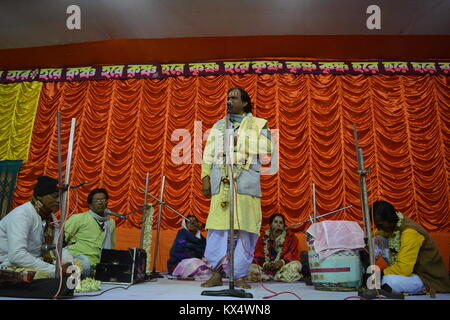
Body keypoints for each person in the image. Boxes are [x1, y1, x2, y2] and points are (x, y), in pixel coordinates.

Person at [200, 87, 272, 289]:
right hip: (221, 182)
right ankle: (215, 272)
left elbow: (268, 148)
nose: (229, 101)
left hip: (245, 182)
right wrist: (205, 177)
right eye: (228, 98)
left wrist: (239, 140)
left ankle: (239, 275)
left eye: (234, 98)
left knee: (247, 230)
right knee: (217, 229)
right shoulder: (219, 126)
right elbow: (208, 153)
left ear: (245, 103)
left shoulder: (259, 124)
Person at [371, 200, 450, 294]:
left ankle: (423, 288)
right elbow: (377, 234)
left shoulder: (410, 232)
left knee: (388, 281)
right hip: (409, 274)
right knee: (377, 238)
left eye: (380, 225)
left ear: (390, 220)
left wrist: (380, 274)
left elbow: (404, 269)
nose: (379, 228)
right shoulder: (390, 228)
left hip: (425, 278)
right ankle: (367, 271)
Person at [0, 176, 71, 279]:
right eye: (55, 196)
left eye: (61, 197)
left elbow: (58, 248)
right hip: (9, 264)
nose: (59, 201)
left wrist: (69, 264)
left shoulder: (51, 218)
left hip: (36, 261)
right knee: (39, 275)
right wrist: (55, 270)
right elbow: (16, 255)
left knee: (81, 263)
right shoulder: (22, 215)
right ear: (40, 196)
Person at [64, 188, 116, 277]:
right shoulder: (78, 218)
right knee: (85, 262)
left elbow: (111, 245)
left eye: (103, 200)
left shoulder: (110, 222)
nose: (100, 202)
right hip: (79, 260)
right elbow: (61, 240)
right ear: (89, 204)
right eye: (97, 200)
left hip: (99, 264)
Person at [247, 213, 302, 282]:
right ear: (270, 224)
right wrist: (265, 264)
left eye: (281, 223)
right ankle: (272, 276)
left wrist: (282, 262)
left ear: (283, 226)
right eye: (275, 222)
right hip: (266, 268)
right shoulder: (263, 237)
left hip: (283, 267)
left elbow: (292, 254)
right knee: (250, 268)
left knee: (296, 265)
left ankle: (274, 276)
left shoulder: (290, 237)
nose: (278, 224)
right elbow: (258, 255)